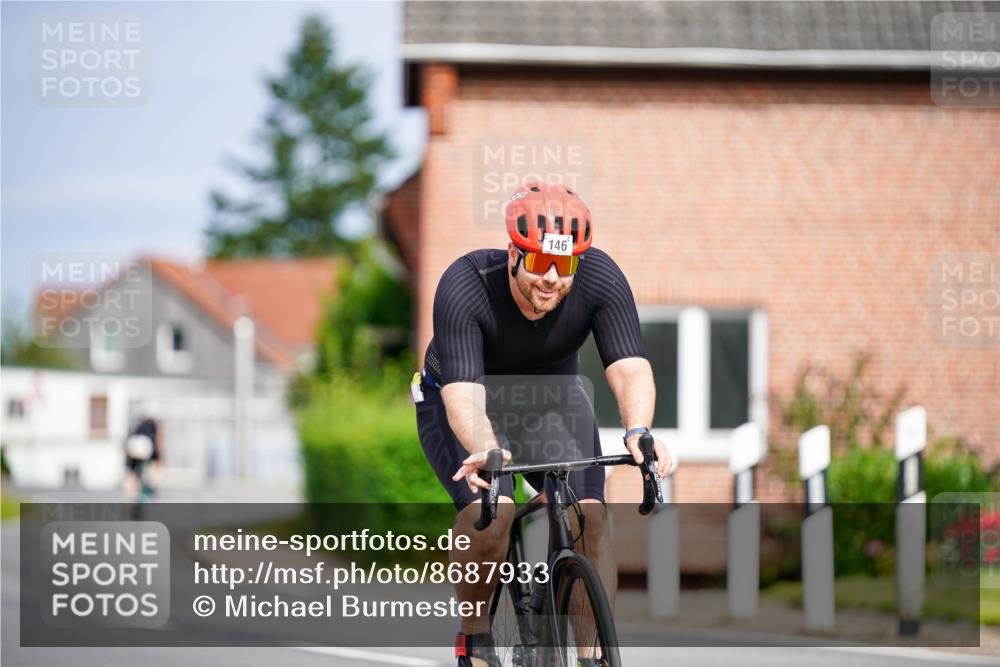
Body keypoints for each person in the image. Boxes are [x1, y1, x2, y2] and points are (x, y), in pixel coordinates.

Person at [414, 182, 676, 667]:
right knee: (492, 515)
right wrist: (487, 449)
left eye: (566, 264)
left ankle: (592, 653)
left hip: (550, 400)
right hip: (462, 397)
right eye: (538, 262)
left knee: (589, 516)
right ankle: (475, 639)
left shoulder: (601, 277)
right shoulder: (467, 281)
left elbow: (630, 366)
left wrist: (639, 430)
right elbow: (463, 395)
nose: (552, 278)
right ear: (514, 252)